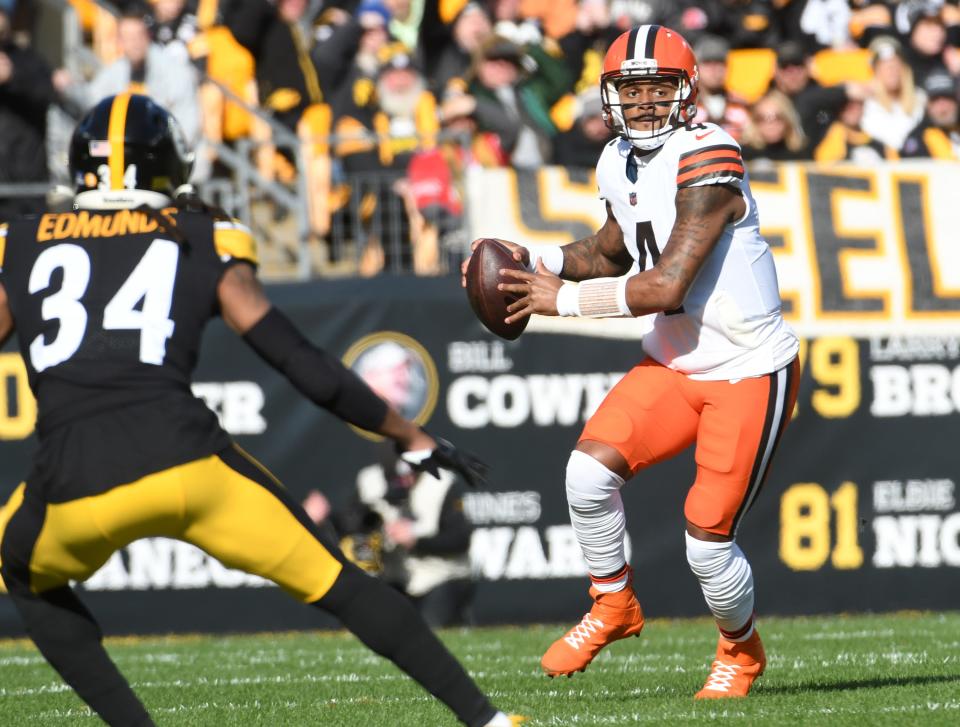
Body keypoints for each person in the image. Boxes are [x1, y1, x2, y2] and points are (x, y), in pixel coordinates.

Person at [0, 93, 520, 727]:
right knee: (340, 582)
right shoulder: (199, 234)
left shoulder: (19, 242)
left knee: (22, 572)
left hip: (72, 483)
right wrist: (408, 433)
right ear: (168, 166)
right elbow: (297, 360)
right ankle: (489, 723)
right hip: (188, 467)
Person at [463, 24, 800, 699]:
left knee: (706, 542)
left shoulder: (712, 154)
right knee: (586, 475)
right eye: (630, 89)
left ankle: (741, 649)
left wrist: (559, 299)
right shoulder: (617, 157)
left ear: (686, 91)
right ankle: (614, 602)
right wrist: (541, 261)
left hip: (745, 368)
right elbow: (615, 249)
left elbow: (668, 282)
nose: (644, 103)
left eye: (657, 88)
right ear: (609, 95)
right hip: (674, 361)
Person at [900, 70, 960, 158]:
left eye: (947, 99)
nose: (943, 107)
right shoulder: (918, 139)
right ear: (927, 106)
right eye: (936, 100)